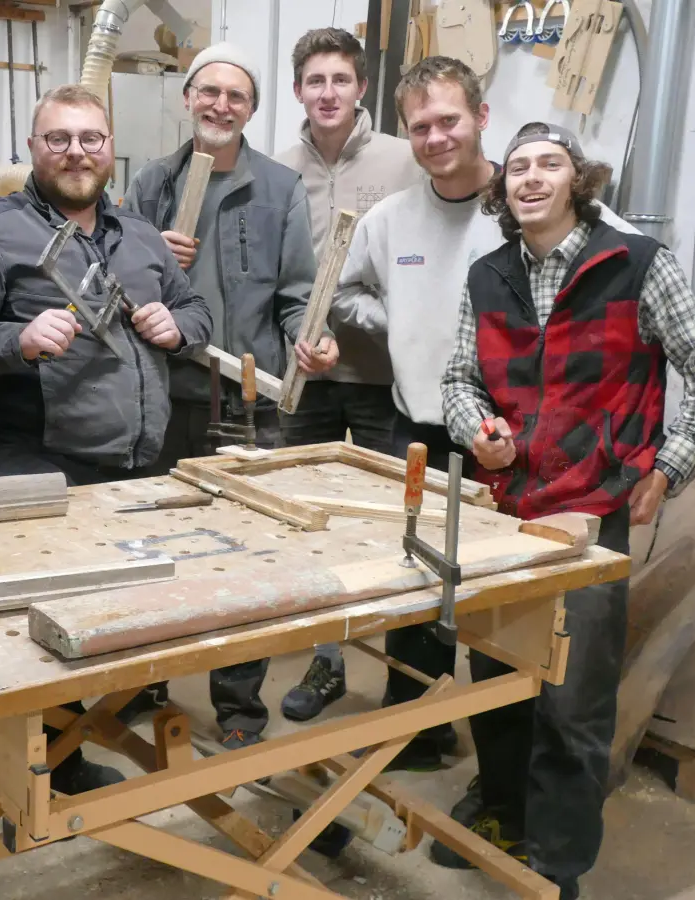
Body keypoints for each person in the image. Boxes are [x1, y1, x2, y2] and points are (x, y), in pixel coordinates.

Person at [435, 123, 695, 898]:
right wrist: (478, 429)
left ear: (579, 180)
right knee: (498, 679)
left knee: (572, 702)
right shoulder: (487, 275)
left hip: (590, 519)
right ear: (501, 190)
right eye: (519, 168)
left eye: (551, 165)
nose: (532, 179)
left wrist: (671, 466)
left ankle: (558, 860)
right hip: (505, 513)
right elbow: (459, 380)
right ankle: (503, 809)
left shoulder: (636, 266)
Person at [0, 83, 213, 791]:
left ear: (111, 149)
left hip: (138, 466)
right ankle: (53, 769)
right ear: (32, 148)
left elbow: (195, 308)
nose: (76, 151)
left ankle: (91, 735)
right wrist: (17, 336)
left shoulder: (140, 234)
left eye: (90, 138)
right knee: (44, 633)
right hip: (41, 466)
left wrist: (181, 329)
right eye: (59, 138)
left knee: (119, 615)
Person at [118, 43, 333, 749]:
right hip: (164, 392)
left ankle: (239, 706)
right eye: (207, 92)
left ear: (252, 109)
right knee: (152, 547)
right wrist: (153, 260)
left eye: (235, 97)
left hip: (247, 399)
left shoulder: (278, 189)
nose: (219, 105)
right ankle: (141, 681)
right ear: (188, 98)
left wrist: (310, 337)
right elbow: (115, 290)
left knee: (245, 558)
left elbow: (298, 293)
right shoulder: (152, 184)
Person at [327, 55, 503, 772]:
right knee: (414, 584)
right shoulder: (390, 218)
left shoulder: (524, 205)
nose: (435, 137)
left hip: (504, 438)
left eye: (449, 120)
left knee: (493, 596)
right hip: (418, 428)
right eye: (420, 126)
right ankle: (415, 728)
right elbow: (341, 295)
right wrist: (396, 318)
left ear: (481, 118)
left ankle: (498, 751)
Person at [272, 27, 423, 724]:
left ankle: (410, 691)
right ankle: (328, 662)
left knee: (398, 531)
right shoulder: (279, 168)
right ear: (298, 89)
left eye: (340, 79)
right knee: (310, 529)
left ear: (361, 87)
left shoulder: (404, 160)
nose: (327, 93)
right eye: (314, 81)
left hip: (385, 381)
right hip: (305, 379)